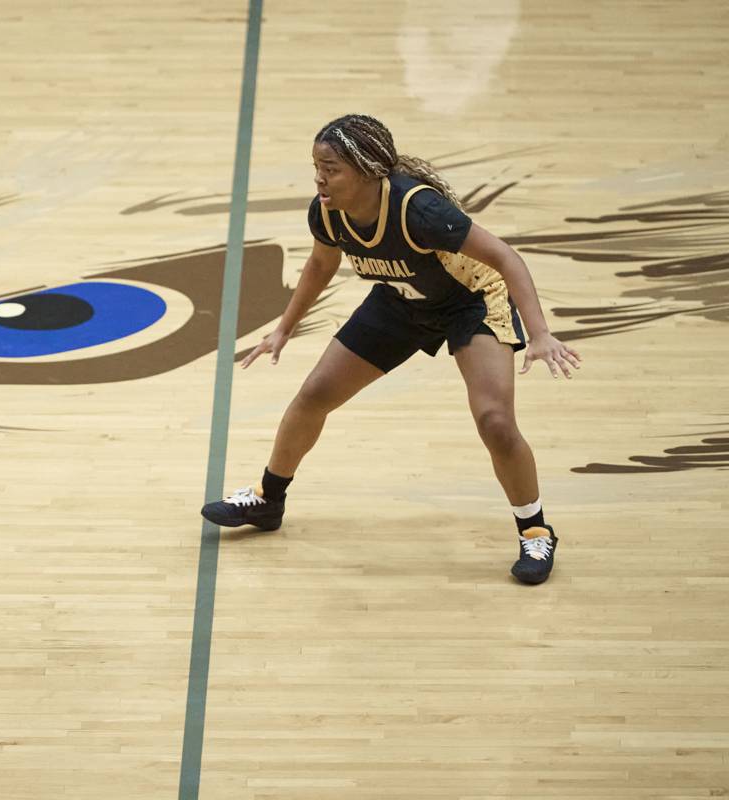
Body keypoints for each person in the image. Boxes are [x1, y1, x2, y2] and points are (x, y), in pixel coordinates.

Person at [201, 115, 581, 585]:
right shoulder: (326, 210)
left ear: (367, 171)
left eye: (332, 167)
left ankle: (535, 529)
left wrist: (541, 333)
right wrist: (283, 328)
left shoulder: (420, 210)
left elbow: (506, 258)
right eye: (316, 165)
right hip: (400, 300)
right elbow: (321, 266)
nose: (320, 177)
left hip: (471, 303)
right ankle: (268, 498)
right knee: (314, 395)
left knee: (495, 422)